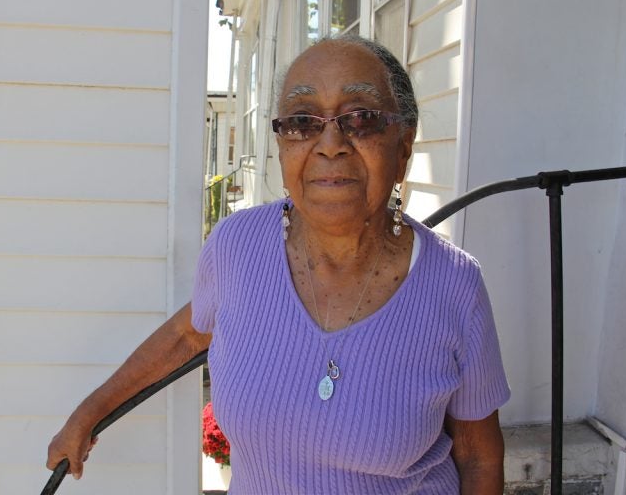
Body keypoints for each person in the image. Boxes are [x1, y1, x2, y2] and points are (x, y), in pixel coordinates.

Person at [47, 35, 510, 494]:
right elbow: (189, 332)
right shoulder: (237, 245)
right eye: (302, 121)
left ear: (403, 148)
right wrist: (89, 412)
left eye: (361, 117)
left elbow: (477, 457)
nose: (331, 144)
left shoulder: (455, 286)